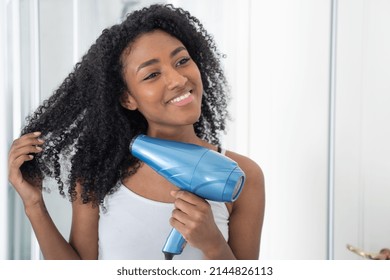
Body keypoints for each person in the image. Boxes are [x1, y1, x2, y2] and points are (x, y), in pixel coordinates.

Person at [8, 4, 265, 260]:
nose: (177, 80)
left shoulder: (244, 175)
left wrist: (213, 244)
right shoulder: (99, 175)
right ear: (127, 98)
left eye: (182, 60)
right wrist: (34, 205)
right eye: (152, 74)